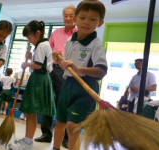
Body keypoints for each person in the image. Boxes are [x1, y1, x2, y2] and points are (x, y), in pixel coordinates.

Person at [52, 0, 107, 149]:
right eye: (83, 18)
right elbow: (66, 65)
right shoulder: (70, 41)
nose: (87, 22)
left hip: (86, 88)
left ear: (100, 23)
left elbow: (101, 71)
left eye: (92, 19)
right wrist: (58, 59)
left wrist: (78, 69)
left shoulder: (96, 45)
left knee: (72, 127)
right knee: (60, 123)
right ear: (76, 20)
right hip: (67, 85)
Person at [34, 5, 77, 149]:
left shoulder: (79, 33)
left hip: (67, 72)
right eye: (66, 15)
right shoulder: (56, 33)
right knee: (47, 100)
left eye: (71, 15)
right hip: (52, 69)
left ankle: (64, 137)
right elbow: (48, 51)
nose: (68, 18)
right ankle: (46, 134)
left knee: (63, 103)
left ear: (76, 17)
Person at [8, 20, 55, 150]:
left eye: (29, 37)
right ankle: (27, 139)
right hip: (40, 78)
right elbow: (38, 64)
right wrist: (30, 58)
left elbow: (39, 66)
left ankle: (28, 143)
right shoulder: (43, 44)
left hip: (39, 80)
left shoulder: (41, 45)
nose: (29, 40)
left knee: (31, 112)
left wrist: (27, 63)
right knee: (31, 113)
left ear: (38, 33)